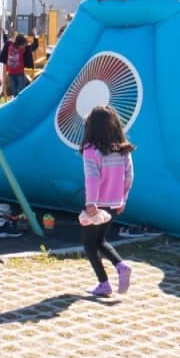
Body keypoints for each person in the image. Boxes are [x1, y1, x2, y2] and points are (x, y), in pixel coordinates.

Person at [78, 105, 135, 297]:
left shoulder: (90, 150)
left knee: (89, 244)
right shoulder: (122, 150)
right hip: (112, 204)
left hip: (96, 205)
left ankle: (104, 283)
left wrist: (91, 203)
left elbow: (92, 177)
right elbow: (129, 176)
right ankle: (121, 265)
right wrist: (122, 199)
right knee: (100, 240)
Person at [0, 33, 33, 98]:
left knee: (21, 88)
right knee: (14, 89)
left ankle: (21, 100)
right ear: (18, 44)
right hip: (11, 73)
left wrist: (35, 37)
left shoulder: (23, 49)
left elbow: (33, 46)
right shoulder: (10, 44)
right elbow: (6, 40)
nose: (24, 46)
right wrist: (4, 33)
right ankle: (16, 99)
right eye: (23, 45)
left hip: (20, 73)